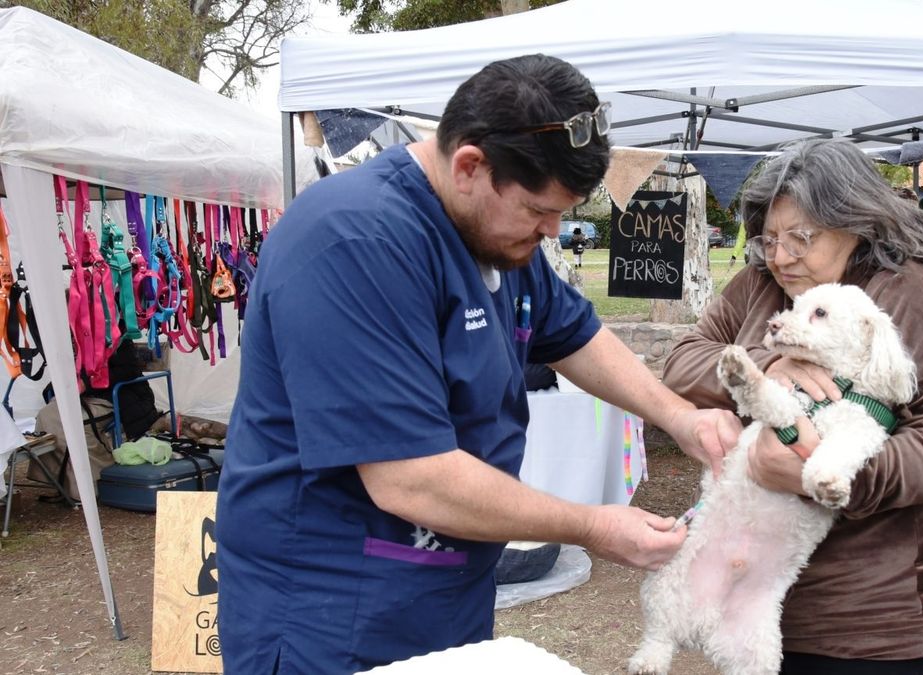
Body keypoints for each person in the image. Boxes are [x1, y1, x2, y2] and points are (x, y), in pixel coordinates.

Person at [215, 54, 741, 674]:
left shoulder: (495, 234)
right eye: (540, 211)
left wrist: (682, 419)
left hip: (443, 588)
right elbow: (411, 476)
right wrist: (592, 526)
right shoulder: (355, 240)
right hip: (331, 608)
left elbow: (573, 332)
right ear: (470, 165)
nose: (553, 232)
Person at [662, 139, 923, 674]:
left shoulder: (914, 297)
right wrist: (763, 366)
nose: (781, 256)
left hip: (878, 613)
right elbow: (684, 360)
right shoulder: (760, 285)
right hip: (768, 591)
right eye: (770, 238)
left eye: (802, 238)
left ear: (857, 222)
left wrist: (818, 471)